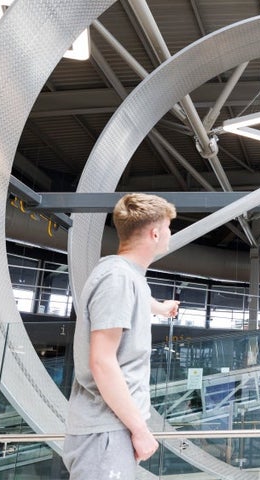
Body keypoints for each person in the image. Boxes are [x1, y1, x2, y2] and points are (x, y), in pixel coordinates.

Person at [63, 193, 181, 480]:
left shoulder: (129, 278)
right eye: (167, 228)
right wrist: (140, 431)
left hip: (113, 428)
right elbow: (102, 362)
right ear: (155, 233)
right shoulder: (117, 279)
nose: (169, 234)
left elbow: (138, 298)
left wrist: (162, 309)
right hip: (105, 430)